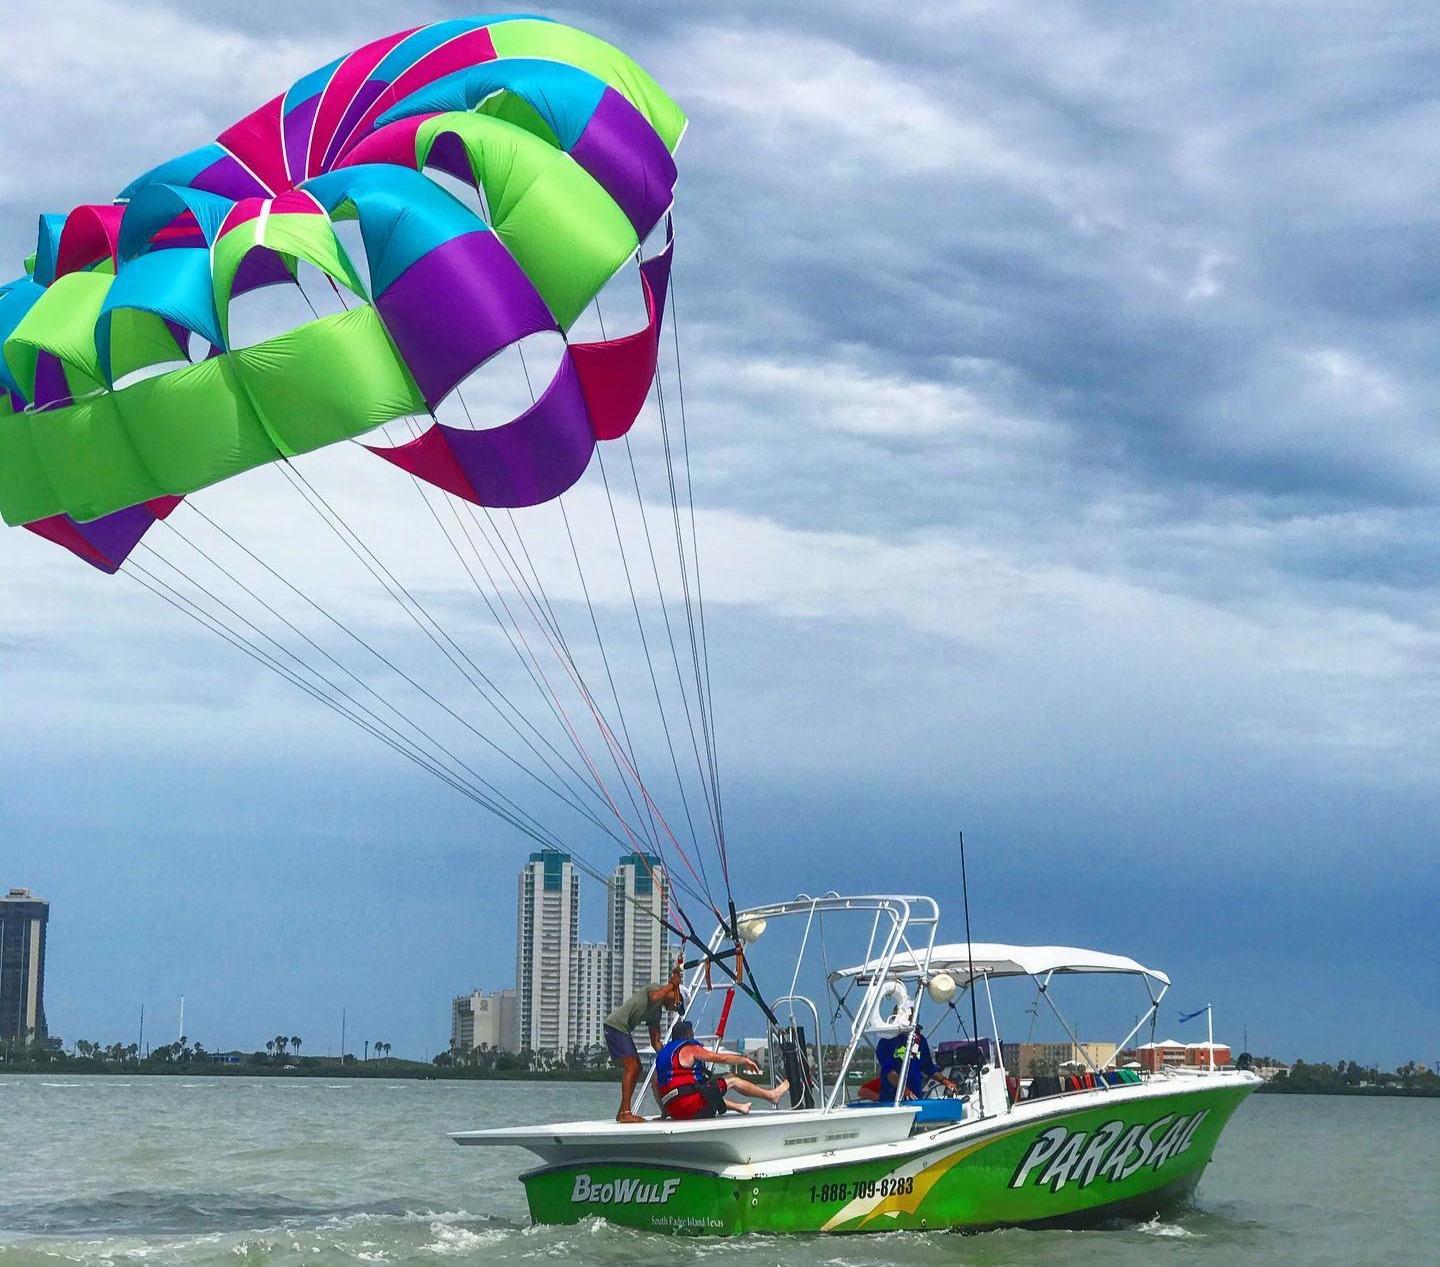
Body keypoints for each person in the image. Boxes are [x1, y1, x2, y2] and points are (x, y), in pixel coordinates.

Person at [654, 1020, 791, 1119]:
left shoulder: (663, 1055)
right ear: (688, 1035)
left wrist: (665, 1111)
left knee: (704, 1090)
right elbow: (721, 1059)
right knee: (731, 1078)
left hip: (673, 1110)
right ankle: (772, 1096)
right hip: (690, 1109)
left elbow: (654, 1084)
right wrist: (745, 1060)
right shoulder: (690, 1048)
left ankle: (740, 1107)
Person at [603, 959, 684, 1123]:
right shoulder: (655, 989)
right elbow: (654, 997)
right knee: (631, 1066)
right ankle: (626, 1113)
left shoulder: (657, 1014)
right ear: (674, 996)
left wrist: (671, 1056)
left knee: (637, 1068)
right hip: (616, 1025)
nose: (674, 1009)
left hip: (623, 1029)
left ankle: (622, 1112)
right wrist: (671, 984)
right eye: (677, 1005)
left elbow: (656, 1043)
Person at [873, 1021, 957, 1102]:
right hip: (891, 1098)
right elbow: (890, 1073)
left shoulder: (921, 1041)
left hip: (915, 1096)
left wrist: (945, 1082)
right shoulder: (885, 1042)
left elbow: (929, 1068)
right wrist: (905, 1090)